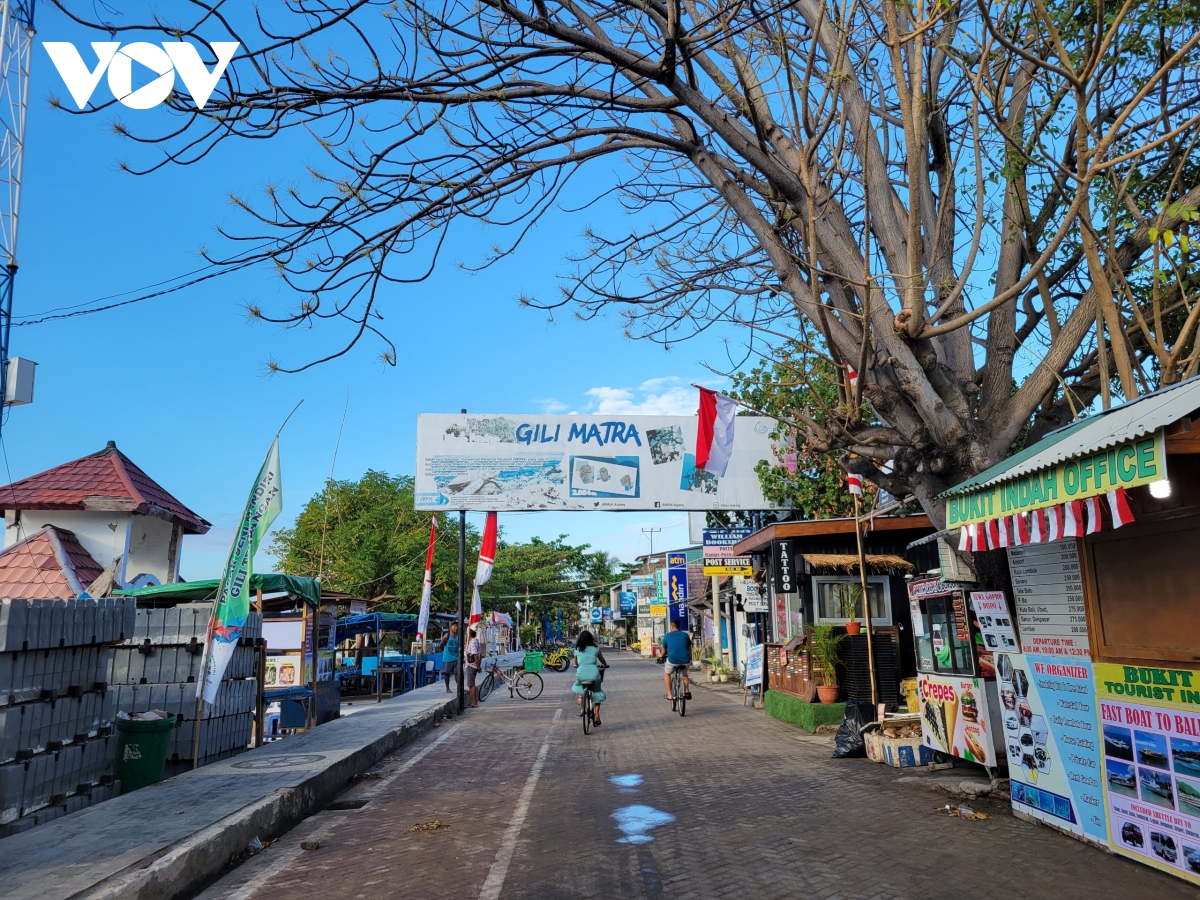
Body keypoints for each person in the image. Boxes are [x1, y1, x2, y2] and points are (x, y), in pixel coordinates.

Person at [572, 630, 608, 726]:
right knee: (597, 692)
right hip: (594, 675)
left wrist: (576, 665)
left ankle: (580, 697)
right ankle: (596, 714)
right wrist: (605, 664)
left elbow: (575, 663)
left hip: (581, 675)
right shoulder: (596, 648)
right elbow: (602, 659)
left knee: (579, 683)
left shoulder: (577, 649)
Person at [661, 620, 692, 701]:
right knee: (684, 675)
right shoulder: (685, 635)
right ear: (678, 627)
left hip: (672, 661)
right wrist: (690, 657)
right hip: (685, 661)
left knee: (667, 673)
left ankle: (670, 695)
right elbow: (689, 648)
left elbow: (663, 651)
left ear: (671, 627)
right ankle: (686, 690)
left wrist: (660, 655)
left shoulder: (667, 636)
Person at [439, 623, 460, 695]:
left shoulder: (458, 636)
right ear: (450, 627)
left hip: (456, 657)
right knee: (447, 673)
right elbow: (441, 645)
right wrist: (445, 651)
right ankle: (447, 688)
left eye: (456, 626)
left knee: (457, 673)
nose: (455, 628)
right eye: (454, 626)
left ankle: (459, 687)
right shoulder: (446, 636)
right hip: (447, 658)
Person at [465, 627, 482, 708]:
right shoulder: (476, 641)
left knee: (471, 684)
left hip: (471, 665)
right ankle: (473, 701)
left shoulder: (472, 642)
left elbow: (475, 654)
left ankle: (474, 702)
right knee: (470, 684)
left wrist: (478, 666)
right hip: (474, 665)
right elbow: (480, 655)